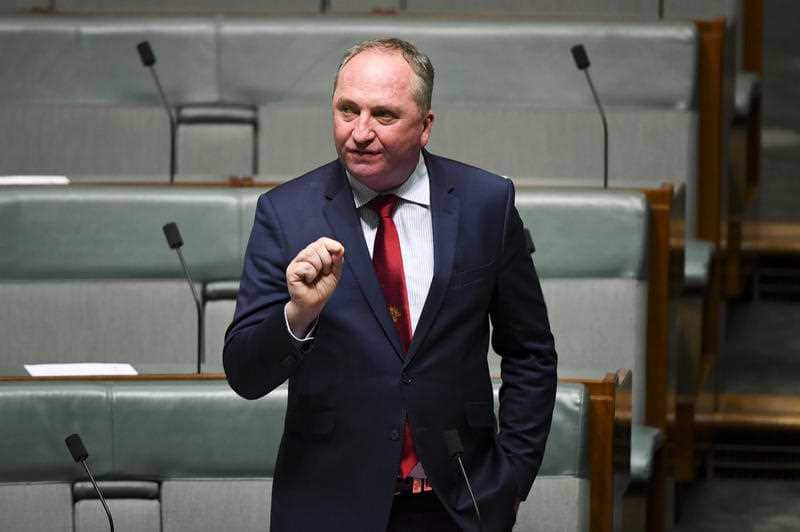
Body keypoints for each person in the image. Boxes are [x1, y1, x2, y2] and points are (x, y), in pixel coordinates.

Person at [224, 37, 557, 532]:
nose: (360, 132)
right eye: (347, 110)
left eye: (383, 115)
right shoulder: (286, 213)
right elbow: (245, 375)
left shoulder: (486, 203)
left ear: (425, 126)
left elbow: (529, 350)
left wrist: (511, 476)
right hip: (328, 507)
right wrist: (297, 318)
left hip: (458, 504)